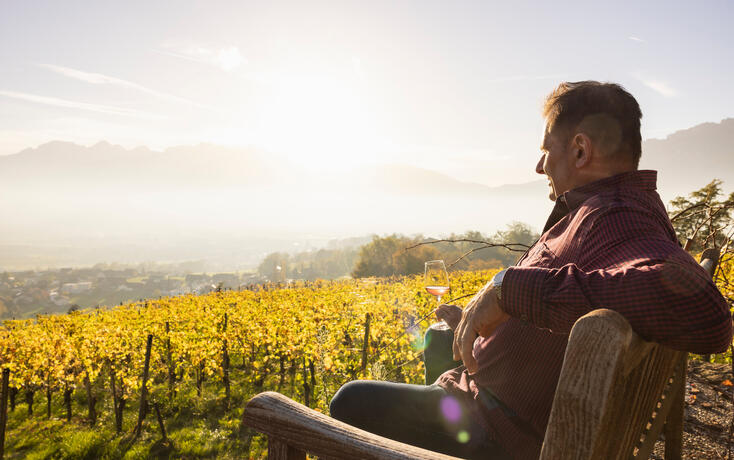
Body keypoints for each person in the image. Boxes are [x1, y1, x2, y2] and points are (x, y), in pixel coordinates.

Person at [329, 81, 733, 460]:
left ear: (579, 151)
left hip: (495, 431)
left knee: (349, 402)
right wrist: (484, 316)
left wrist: (509, 290)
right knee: (439, 340)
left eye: (546, 149)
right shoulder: (610, 209)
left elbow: (706, 312)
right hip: (494, 400)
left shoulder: (616, 216)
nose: (540, 166)